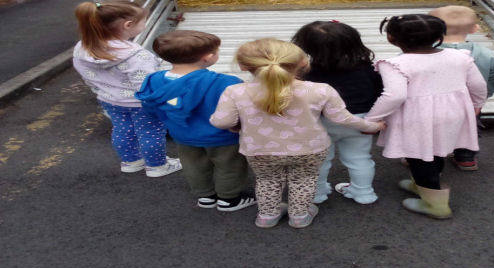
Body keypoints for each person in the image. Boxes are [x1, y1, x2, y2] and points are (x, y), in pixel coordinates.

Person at [210, 38, 385, 229]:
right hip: (309, 149)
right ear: (302, 62)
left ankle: (267, 216)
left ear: (243, 66)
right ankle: (300, 216)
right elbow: (342, 118)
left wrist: (235, 127)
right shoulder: (320, 90)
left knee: (267, 181)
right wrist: (371, 126)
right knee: (303, 181)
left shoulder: (235, 91)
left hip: (259, 149)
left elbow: (222, 121)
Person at [365, 14, 487, 219]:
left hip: (417, 118)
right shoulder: (460, 57)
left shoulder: (395, 64)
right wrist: (477, 104)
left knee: (420, 156)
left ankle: (435, 204)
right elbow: (478, 85)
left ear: (391, 38)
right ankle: (421, 185)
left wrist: (371, 119)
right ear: (439, 36)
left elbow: (395, 95)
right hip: (453, 112)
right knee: (437, 149)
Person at [135, 30, 256, 212]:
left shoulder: (154, 80)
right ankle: (229, 199)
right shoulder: (225, 82)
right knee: (229, 166)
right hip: (222, 136)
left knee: (194, 166)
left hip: (183, 135)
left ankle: (205, 196)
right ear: (207, 58)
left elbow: (151, 108)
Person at [73, 0, 181, 177]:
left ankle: (131, 161)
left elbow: (87, 76)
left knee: (122, 129)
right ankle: (157, 166)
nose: (144, 24)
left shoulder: (82, 47)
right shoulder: (135, 55)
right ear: (128, 25)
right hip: (140, 103)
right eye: (143, 21)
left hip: (109, 99)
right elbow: (147, 84)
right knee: (151, 132)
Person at [292, 21, 383, 205]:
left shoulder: (304, 73)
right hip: (360, 120)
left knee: (319, 160)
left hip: (319, 122)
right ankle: (364, 193)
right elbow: (380, 93)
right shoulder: (368, 68)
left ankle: (317, 193)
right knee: (360, 158)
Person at [429, 5, 494, 171]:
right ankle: (466, 157)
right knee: (468, 127)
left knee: (428, 128)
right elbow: (492, 79)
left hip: (431, 102)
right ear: (475, 28)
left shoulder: (420, 52)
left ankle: (424, 157)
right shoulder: (487, 54)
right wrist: (481, 99)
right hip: (469, 103)